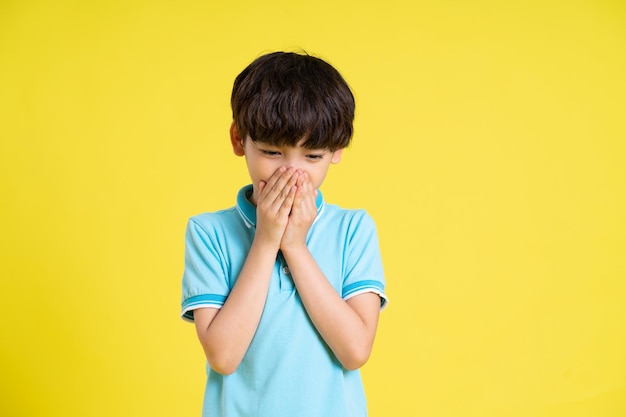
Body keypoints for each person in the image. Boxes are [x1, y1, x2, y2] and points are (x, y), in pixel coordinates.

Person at [180, 51, 388, 417]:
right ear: (238, 139)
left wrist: (294, 245)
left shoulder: (353, 229)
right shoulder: (209, 232)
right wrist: (265, 241)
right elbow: (224, 356)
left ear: (336, 152)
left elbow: (355, 351)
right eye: (272, 152)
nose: (291, 173)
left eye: (312, 157)